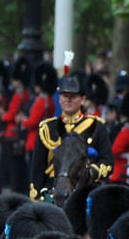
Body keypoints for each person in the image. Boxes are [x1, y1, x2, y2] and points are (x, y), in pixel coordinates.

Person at [33, 74, 108, 203]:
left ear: (83, 99)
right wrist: (39, 195)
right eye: (64, 96)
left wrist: (91, 172)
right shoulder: (47, 128)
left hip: (85, 191)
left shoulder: (96, 126)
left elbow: (107, 162)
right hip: (51, 192)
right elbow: (37, 168)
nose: (68, 100)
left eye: (73, 97)